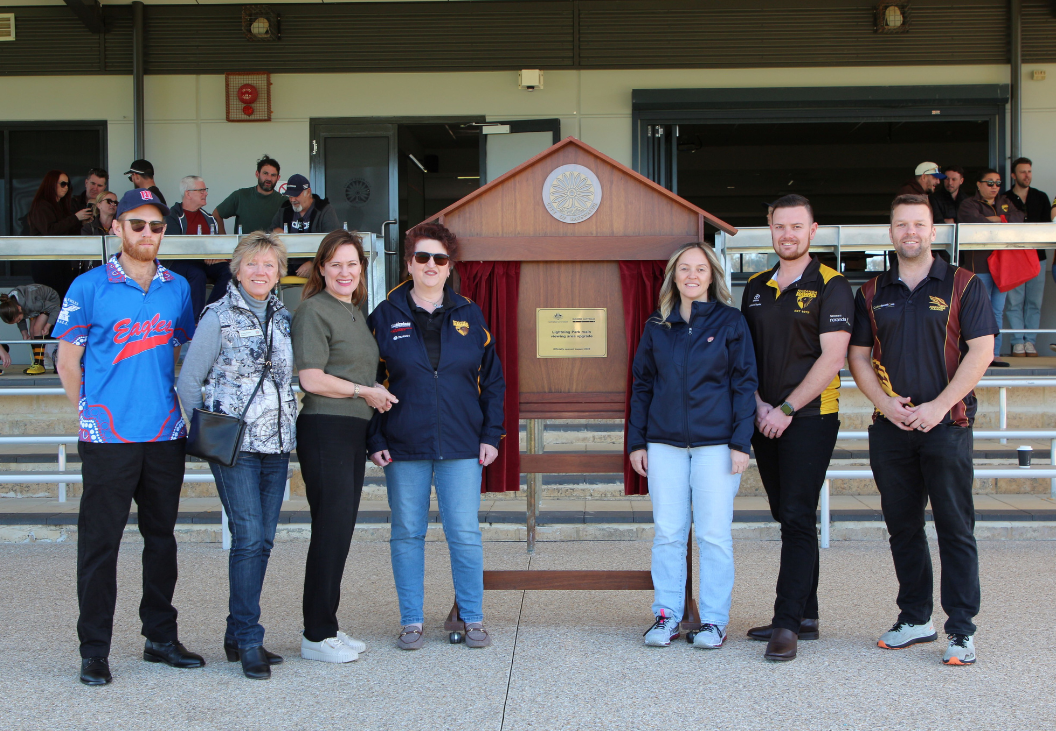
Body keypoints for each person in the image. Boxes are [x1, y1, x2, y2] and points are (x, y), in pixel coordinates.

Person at [54, 188, 200, 686]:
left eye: (156, 226)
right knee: (100, 544)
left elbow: (184, 355)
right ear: (116, 227)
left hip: (163, 433)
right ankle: (94, 649)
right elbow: (67, 360)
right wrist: (87, 414)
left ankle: (159, 638)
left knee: (161, 540)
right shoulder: (89, 286)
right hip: (108, 437)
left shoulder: (177, 287)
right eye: (136, 224)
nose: (147, 234)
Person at [848, 193, 997, 667]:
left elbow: (981, 351)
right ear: (890, 233)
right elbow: (857, 356)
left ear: (934, 231)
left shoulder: (964, 284)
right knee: (903, 528)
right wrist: (886, 405)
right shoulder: (871, 292)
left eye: (918, 224)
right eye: (900, 224)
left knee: (955, 528)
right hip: (891, 429)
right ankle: (915, 618)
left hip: (947, 425)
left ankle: (961, 630)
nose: (909, 231)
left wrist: (938, 406)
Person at [367, 221, 505, 651]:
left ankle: (473, 617)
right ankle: (411, 621)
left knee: (464, 532)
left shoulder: (470, 313)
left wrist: (491, 434)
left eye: (439, 258)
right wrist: (374, 439)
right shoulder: (384, 316)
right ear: (409, 263)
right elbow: (367, 383)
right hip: (403, 443)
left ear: (450, 267)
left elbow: (494, 380)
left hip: (462, 442)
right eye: (422, 257)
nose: (431, 265)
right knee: (407, 532)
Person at [739, 194, 854, 662]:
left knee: (798, 515)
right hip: (761, 416)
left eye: (796, 226)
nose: (787, 234)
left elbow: (834, 357)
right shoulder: (756, 285)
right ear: (770, 229)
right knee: (787, 514)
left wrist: (784, 408)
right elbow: (742, 355)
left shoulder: (832, 284)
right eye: (779, 226)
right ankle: (806, 613)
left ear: (813, 230)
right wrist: (759, 405)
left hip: (809, 417)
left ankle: (787, 623)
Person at [176, 232, 296, 680]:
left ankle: (234, 633)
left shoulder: (284, 317)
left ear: (279, 272)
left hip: (278, 445)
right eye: (252, 264)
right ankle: (249, 638)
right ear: (237, 269)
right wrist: (206, 432)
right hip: (236, 447)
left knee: (263, 540)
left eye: (269, 264)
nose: (261, 272)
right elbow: (189, 382)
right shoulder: (218, 316)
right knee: (247, 538)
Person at [628, 243, 756, 651]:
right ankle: (667, 616)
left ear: (712, 276)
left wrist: (741, 443)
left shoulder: (731, 322)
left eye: (701, 269)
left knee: (714, 535)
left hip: (716, 446)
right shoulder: (657, 326)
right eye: (685, 268)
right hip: (663, 444)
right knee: (668, 532)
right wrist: (637, 442)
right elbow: (642, 386)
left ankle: (714, 621)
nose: (692, 275)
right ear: (673, 277)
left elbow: (744, 384)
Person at [293, 230, 398, 663]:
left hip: (351, 431)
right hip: (325, 428)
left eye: (352, 264)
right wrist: (364, 392)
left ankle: (327, 626)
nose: (344, 271)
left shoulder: (354, 311)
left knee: (339, 532)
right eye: (336, 263)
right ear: (321, 268)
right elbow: (311, 378)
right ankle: (316, 635)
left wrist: (370, 394)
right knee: (330, 531)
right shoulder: (314, 311)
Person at [958, 169, 1025, 366]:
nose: (995, 187)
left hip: (1003, 266)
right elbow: (974, 222)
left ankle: (992, 355)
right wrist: (1002, 220)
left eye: (998, 183)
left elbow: (1020, 217)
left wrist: (997, 219)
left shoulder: (1005, 201)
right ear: (978, 184)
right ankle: (978, 355)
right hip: (979, 266)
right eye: (990, 183)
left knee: (997, 311)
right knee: (980, 312)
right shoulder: (969, 203)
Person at [163, 176, 232, 319]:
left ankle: (209, 313)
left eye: (205, 190)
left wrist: (219, 257)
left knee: (230, 271)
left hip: (206, 262)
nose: (205, 193)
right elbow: (175, 247)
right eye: (201, 190)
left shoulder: (209, 218)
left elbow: (217, 245)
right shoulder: (172, 216)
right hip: (178, 263)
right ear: (188, 193)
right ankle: (195, 322)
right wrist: (203, 256)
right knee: (197, 273)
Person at [1003, 158, 1050, 357]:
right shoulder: (1004, 198)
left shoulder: (1040, 197)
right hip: (1013, 256)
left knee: (1034, 302)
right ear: (1013, 175)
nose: (1027, 175)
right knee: (1014, 302)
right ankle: (1017, 342)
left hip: (1037, 255)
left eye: (1029, 171)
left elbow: (1048, 226)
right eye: (1022, 172)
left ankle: (1030, 341)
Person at [27, 170, 93, 296]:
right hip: (45, 261)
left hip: (61, 259)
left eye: (68, 184)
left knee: (63, 296)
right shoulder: (41, 205)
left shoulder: (60, 206)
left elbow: (65, 231)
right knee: (52, 299)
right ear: (51, 184)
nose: (66, 187)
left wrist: (82, 223)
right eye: (62, 184)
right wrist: (75, 218)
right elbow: (49, 231)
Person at [271, 174, 340, 278]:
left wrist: (314, 263)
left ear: (308, 192)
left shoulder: (324, 209)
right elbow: (269, 232)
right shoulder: (284, 209)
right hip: (285, 267)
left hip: (318, 269)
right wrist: (275, 231)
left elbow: (334, 242)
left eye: (296, 195)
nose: (292, 199)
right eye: (290, 196)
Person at [212, 154, 284, 236]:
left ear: (278, 178)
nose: (269, 178)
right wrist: (223, 240)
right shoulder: (240, 196)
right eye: (265, 173)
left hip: (271, 248)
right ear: (257, 174)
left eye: (273, 175)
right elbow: (216, 214)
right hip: (245, 248)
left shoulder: (284, 201)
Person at [0, 283, 61, 375]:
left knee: (37, 329)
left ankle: (39, 364)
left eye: (19, 320)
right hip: (35, 302)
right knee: (31, 331)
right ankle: (36, 363)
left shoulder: (31, 305)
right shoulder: (12, 303)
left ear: (19, 308)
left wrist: (48, 325)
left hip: (49, 301)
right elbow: (21, 319)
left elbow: (55, 308)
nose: (18, 321)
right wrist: (24, 332)